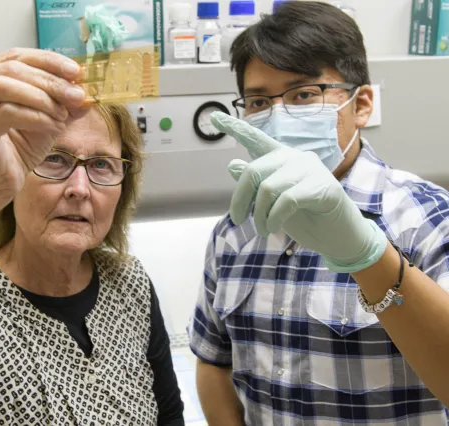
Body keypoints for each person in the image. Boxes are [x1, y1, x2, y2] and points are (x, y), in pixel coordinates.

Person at [0, 48, 184, 426]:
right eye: (54, 158)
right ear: (16, 178)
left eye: (101, 165)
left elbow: (169, 415)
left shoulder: (130, 282)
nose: (79, 188)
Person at [188, 2, 449, 425]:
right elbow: (213, 360)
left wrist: (368, 256)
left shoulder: (428, 219)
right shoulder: (234, 232)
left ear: (361, 104)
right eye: (258, 102)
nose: (277, 115)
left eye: (304, 95)